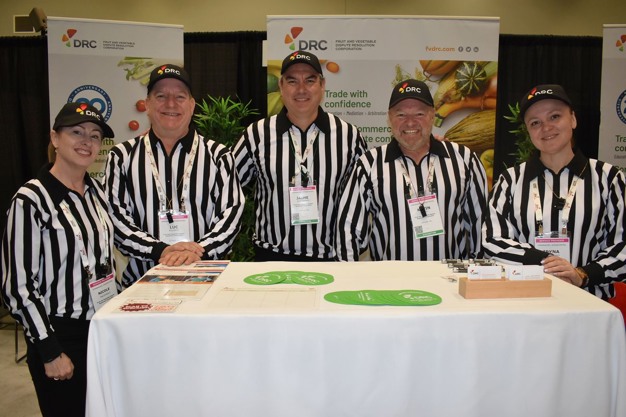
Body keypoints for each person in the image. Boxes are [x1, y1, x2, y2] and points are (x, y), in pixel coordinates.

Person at [1, 102, 116, 417]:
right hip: (59, 332)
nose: (86, 141)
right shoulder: (30, 200)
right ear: (55, 138)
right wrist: (50, 350)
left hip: (100, 325)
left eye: (94, 136)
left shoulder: (96, 193)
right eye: (76, 132)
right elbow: (18, 287)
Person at [483, 84, 626, 305]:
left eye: (555, 116)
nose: (546, 127)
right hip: (524, 304)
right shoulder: (510, 181)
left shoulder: (609, 178)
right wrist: (546, 261)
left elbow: (622, 246)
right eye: (535, 122)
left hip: (590, 305)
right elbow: (492, 241)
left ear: (573, 119)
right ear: (528, 131)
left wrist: (582, 274)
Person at [104, 64, 244, 287]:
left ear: (192, 105)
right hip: (142, 284)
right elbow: (115, 217)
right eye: (161, 96)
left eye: (180, 97)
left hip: (206, 281)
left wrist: (199, 251)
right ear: (147, 104)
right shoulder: (121, 156)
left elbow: (231, 215)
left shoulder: (219, 156)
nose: (171, 104)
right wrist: (159, 250)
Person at [233, 51, 367, 261]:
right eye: (292, 81)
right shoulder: (256, 134)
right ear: (281, 86)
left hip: (330, 258)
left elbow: (365, 199)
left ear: (322, 85)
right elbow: (225, 189)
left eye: (310, 81)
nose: (301, 89)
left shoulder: (349, 136)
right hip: (271, 258)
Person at [335, 79, 488, 261]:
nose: (410, 123)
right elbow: (348, 228)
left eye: (419, 114)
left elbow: (481, 225)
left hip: (448, 276)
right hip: (390, 276)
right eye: (401, 115)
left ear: (432, 115)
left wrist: (480, 272)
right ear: (389, 118)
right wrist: (348, 272)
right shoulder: (369, 164)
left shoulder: (464, 159)